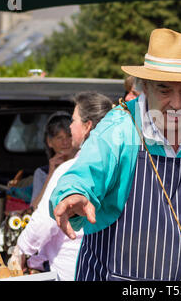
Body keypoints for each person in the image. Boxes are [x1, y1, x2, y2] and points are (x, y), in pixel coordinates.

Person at [50, 28, 181, 281]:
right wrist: (73, 194)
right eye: (165, 90)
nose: (177, 103)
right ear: (144, 86)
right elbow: (83, 175)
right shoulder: (119, 127)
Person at [10, 91, 113, 281]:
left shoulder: (71, 170)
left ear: (87, 126)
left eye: (73, 121)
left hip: (73, 268)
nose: (71, 127)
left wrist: (21, 250)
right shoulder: (123, 165)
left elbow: (44, 222)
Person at [30, 112, 75, 209]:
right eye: (59, 138)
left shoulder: (82, 165)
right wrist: (51, 174)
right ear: (49, 142)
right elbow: (34, 208)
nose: (65, 142)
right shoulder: (42, 173)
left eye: (69, 136)